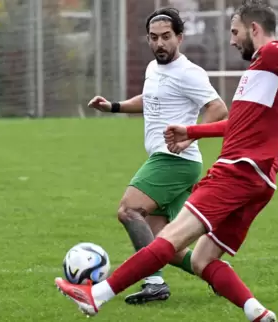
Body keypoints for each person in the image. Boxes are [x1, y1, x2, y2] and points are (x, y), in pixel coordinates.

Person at [54, 1, 278, 321]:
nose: (231, 39)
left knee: (168, 237)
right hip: (260, 179)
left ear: (254, 29)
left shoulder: (273, 53)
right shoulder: (260, 72)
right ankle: (256, 311)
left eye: (235, 31)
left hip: (237, 171)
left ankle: (96, 296)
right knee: (201, 260)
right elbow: (235, 125)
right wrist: (192, 130)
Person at [86, 7, 228, 305]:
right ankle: (218, 274)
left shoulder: (189, 72)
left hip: (174, 160)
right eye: (153, 37)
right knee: (165, 245)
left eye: (166, 37)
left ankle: (153, 282)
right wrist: (113, 106)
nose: (159, 43)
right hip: (173, 161)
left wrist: (192, 133)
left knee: (128, 211)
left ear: (179, 37)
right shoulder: (154, 69)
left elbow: (218, 108)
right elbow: (149, 100)